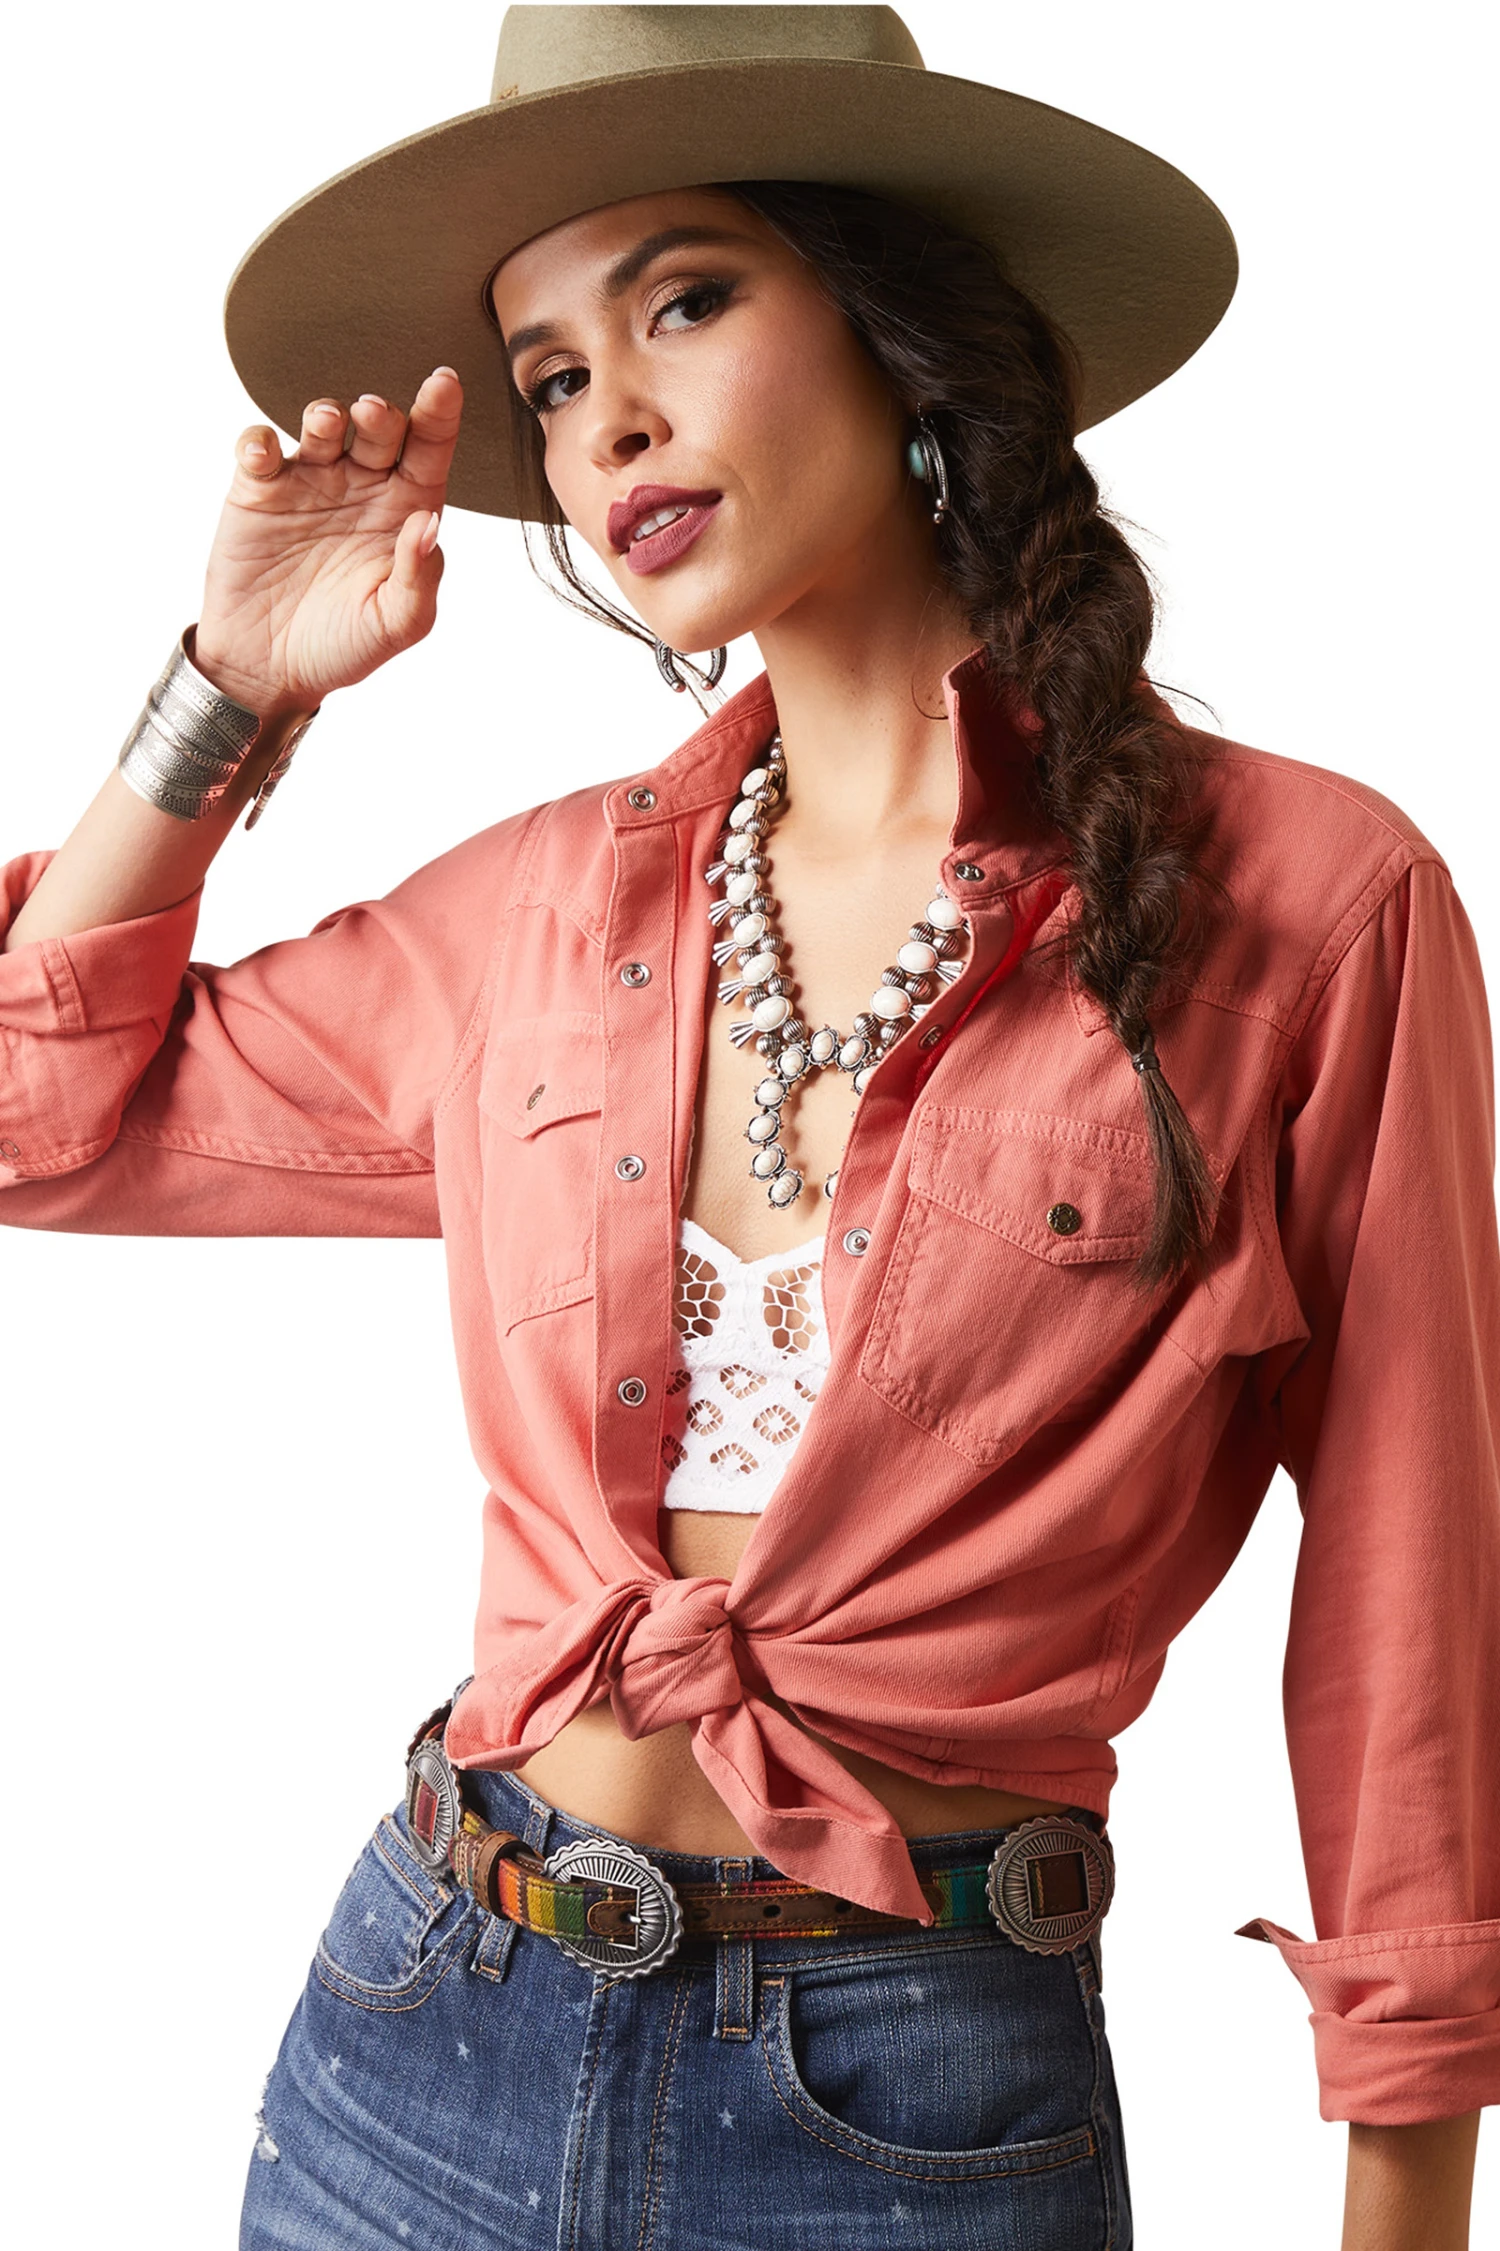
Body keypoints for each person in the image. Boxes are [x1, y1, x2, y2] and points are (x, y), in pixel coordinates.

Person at [2, 6, 1495, 2245]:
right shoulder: (538, 914)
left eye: (683, 301)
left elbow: (1415, 1587)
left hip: (910, 2108)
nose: (607, 417)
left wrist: (1406, 2194)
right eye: (549, 378)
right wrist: (231, 692)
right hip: (422, 2041)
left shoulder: (1309, 906)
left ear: (901, 327)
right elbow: (35, 1120)